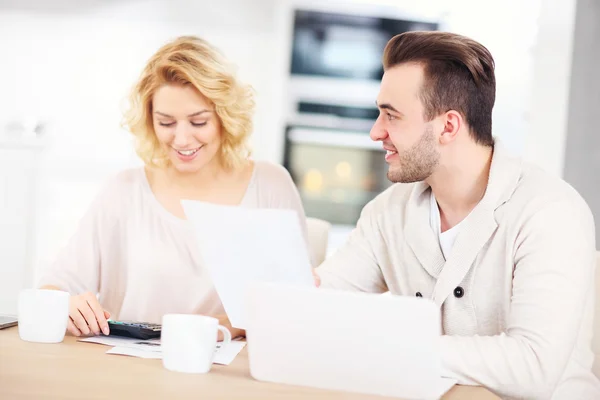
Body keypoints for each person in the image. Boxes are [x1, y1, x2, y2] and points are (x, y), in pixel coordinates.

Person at [315, 31, 600, 399]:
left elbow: (533, 365)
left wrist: (391, 346)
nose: (375, 131)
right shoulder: (388, 212)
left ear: (448, 126)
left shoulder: (551, 211)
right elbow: (322, 294)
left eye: (391, 116)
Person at [38, 35, 309, 340]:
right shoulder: (124, 190)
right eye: (166, 123)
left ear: (225, 117)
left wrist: (221, 328)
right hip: (124, 370)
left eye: (198, 122)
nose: (181, 140)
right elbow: (54, 288)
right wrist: (68, 305)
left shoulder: (270, 185)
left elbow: (294, 303)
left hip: (229, 375)